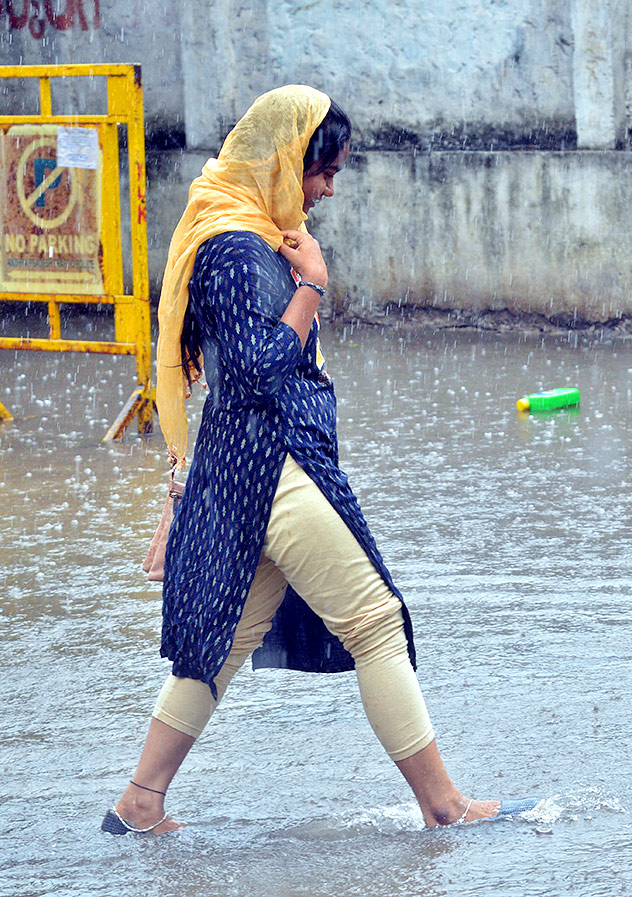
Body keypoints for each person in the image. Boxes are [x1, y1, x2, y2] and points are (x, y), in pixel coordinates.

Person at [101, 85, 539, 835]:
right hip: (272, 468)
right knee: (374, 622)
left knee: (226, 641)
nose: (328, 189)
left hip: (249, 471)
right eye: (322, 171)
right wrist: (311, 287)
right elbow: (251, 374)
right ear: (283, 160)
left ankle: (141, 801)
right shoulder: (236, 249)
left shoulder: (255, 233)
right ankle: (444, 804)